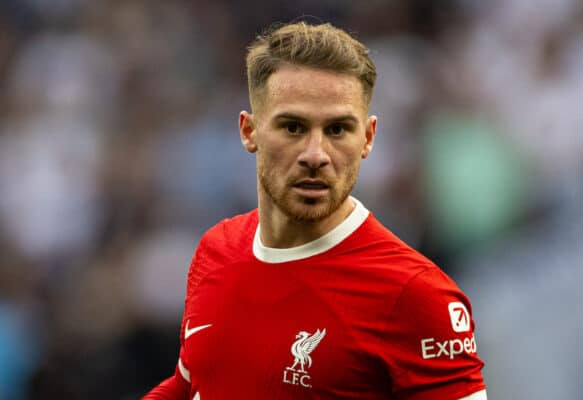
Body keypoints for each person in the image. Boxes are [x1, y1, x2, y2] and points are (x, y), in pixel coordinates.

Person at [144, 21, 486, 400]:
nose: (315, 155)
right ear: (249, 131)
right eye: (293, 127)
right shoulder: (217, 249)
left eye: (338, 130)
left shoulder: (414, 295)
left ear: (368, 138)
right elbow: (190, 383)